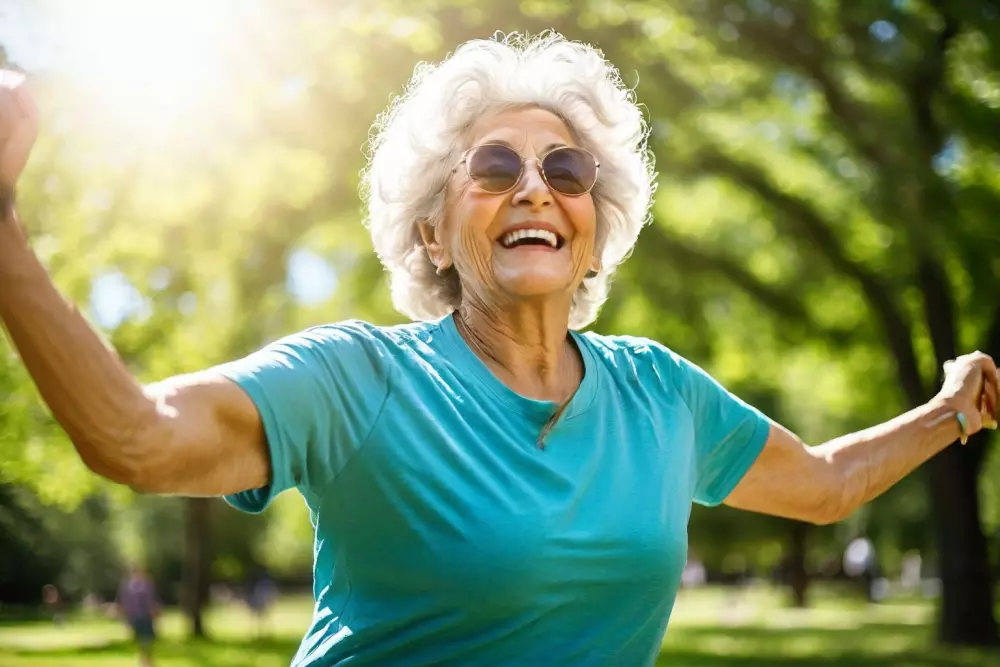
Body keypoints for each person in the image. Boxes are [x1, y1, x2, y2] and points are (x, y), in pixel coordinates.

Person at [0, 33, 996, 667]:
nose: (534, 187)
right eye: (493, 167)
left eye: (565, 169)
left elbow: (821, 485)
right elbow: (132, 436)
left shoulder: (660, 394)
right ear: (432, 232)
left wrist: (954, 402)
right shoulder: (359, 381)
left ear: (594, 229)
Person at [116, 566, 160, 667]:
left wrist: (155, 610)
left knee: (149, 639)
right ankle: (143, 660)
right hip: (136, 616)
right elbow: (125, 601)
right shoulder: (129, 586)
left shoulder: (148, 585)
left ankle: (149, 660)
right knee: (140, 639)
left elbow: (153, 599)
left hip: (147, 616)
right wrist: (126, 616)